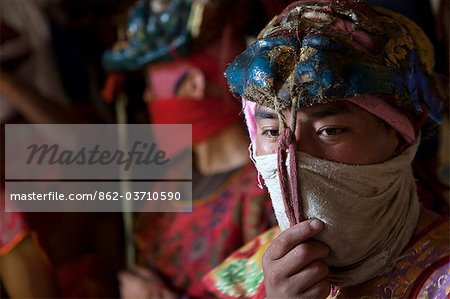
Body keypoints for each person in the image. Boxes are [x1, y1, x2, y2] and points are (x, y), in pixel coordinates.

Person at [202, 1, 449, 298]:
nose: (292, 157)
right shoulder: (251, 273)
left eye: (330, 131)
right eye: (271, 131)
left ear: (399, 136)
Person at [102, 1, 284, 298]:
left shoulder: (268, 191)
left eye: (152, 85)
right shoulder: (168, 186)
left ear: (193, 85)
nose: (148, 97)